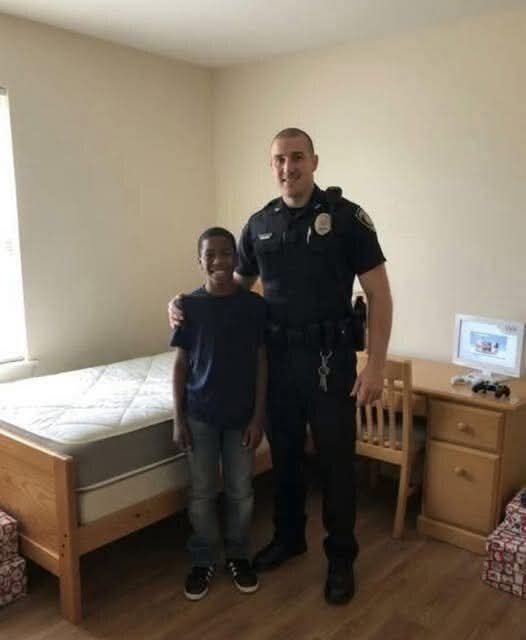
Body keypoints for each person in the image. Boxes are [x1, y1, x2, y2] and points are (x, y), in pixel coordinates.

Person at [169, 128, 392, 605]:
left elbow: (379, 293)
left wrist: (375, 365)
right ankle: (290, 538)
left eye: (297, 157)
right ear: (271, 166)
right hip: (279, 364)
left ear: (314, 161)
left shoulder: (347, 219)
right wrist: (183, 304)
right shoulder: (259, 225)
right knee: (286, 459)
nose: (288, 167)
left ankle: (341, 558)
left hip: (330, 364)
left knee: (335, 465)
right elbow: (230, 286)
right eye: (279, 160)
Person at [171, 226, 267, 601]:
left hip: (242, 418)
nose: (219, 261)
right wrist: (179, 419)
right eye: (210, 254)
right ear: (200, 261)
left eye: (226, 253)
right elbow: (181, 365)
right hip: (200, 417)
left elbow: (261, 362)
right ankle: (204, 557)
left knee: (241, 492)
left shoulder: (253, 306)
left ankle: (238, 554)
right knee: (202, 493)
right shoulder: (189, 307)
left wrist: (258, 418)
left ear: (236, 258)